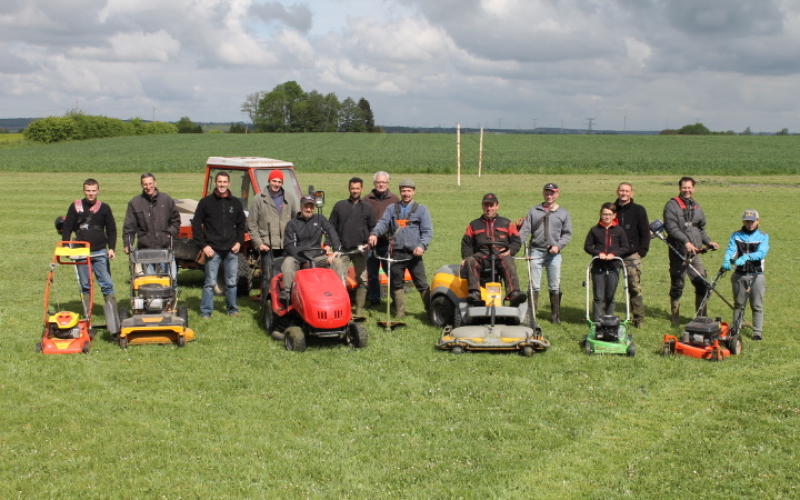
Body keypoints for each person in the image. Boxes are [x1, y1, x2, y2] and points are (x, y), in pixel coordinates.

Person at [60, 178, 119, 332]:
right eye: (88, 190)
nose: (91, 193)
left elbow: (111, 229)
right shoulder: (75, 206)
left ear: (98, 191)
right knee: (85, 285)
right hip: (81, 252)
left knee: (107, 284)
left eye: (93, 190)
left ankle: (113, 320)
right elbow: (67, 228)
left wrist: (111, 248)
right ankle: (87, 319)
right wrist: (66, 246)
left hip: (100, 252)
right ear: (84, 191)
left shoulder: (104, 208)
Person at [368, 179, 433, 318]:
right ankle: (400, 312)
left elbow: (427, 231)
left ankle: (431, 311)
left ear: (414, 192)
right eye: (403, 190)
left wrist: (422, 246)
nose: (406, 193)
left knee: (422, 284)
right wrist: (374, 234)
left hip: (414, 255)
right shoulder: (392, 208)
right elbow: (383, 223)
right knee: (397, 284)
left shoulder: (422, 210)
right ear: (400, 191)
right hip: (396, 253)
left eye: (409, 191)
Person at [662, 176, 719, 326]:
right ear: (679, 188)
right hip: (678, 251)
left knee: (702, 283)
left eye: (689, 187)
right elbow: (671, 228)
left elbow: (700, 229)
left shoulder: (697, 206)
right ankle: (675, 316)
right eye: (684, 187)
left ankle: (701, 317)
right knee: (678, 284)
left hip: (696, 253)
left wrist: (708, 241)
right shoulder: (671, 206)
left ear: (693, 188)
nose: (687, 190)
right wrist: (685, 241)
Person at [192, 172, 247, 318]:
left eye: (224, 182)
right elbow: (196, 225)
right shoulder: (205, 202)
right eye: (219, 182)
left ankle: (232, 310)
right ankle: (206, 311)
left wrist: (239, 242)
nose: (222, 184)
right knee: (210, 283)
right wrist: (203, 246)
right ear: (215, 183)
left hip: (231, 250)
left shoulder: (235, 203)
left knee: (231, 283)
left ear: (229, 184)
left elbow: (242, 226)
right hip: (213, 250)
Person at [518, 182, 572, 324]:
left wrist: (558, 246)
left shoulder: (563, 213)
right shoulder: (534, 211)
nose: (549, 195)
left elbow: (567, 234)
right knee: (534, 285)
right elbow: (525, 230)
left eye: (552, 193)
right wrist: (515, 246)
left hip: (554, 254)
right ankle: (532, 316)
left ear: (557, 194)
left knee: (554, 285)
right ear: (543, 193)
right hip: (536, 251)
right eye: (547, 192)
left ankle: (555, 317)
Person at [461, 193, 525, 306]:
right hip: (482, 256)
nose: (489, 208)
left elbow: (516, 241)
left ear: (497, 206)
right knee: (471, 260)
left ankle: (514, 293)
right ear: (482, 206)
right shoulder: (473, 225)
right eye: (486, 205)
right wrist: (466, 258)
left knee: (508, 259)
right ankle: (475, 293)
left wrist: (510, 251)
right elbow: (467, 244)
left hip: (500, 256)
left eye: (492, 205)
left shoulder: (507, 223)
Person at [280, 195, 342, 301]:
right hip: (298, 257)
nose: (308, 209)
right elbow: (289, 246)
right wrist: (304, 259)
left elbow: (331, 231)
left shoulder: (320, 219)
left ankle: (338, 292)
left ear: (314, 207)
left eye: (311, 206)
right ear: (301, 206)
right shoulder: (292, 224)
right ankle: (287, 293)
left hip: (316, 257)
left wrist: (336, 250)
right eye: (306, 206)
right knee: (287, 262)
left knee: (336, 261)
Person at [329, 177, 375, 316]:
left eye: (357, 188)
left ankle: (359, 309)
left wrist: (370, 239)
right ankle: (342, 308)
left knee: (363, 279)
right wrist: (332, 246)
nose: (355, 190)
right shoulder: (339, 206)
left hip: (361, 251)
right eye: (352, 188)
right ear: (349, 188)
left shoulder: (367, 207)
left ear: (362, 189)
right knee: (337, 279)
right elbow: (331, 227)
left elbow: (373, 227)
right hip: (343, 250)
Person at [722, 209, 769, 340]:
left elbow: (762, 253)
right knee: (738, 304)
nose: (749, 224)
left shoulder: (763, 236)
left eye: (752, 221)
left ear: (758, 221)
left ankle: (757, 332)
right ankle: (736, 329)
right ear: (743, 221)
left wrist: (747, 257)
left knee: (757, 305)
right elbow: (731, 249)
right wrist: (727, 259)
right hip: (739, 274)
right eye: (747, 221)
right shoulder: (736, 235)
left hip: (757, 275)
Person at [122, 173, 181, 278]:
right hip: (146, 250)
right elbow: (129, 226)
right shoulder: (135, 203)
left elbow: (176, 220)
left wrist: (169, 234)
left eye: (150, 183)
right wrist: (127, 243)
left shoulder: (166, 200)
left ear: (155, 183)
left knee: (172, 280)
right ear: (141, 185)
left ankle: (173, 294)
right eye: (145, 184)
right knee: (151, 282)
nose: (148, 187)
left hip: (165, 248)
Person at [248, 169, 299, 287]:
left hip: (286, 245)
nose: (276, 184)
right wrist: (259, 243)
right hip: (267, 245)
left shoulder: (290, 198)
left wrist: (294, 241)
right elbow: (252, 224)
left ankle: (284, 301)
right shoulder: (259, 199)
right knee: (268, 276)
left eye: (279, 182)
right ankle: (267, 303)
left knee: (287, 274)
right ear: (269, 181)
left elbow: (295, 220)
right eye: (274, 181)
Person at [584, 203, 630, 321]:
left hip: (614, 266)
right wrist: (598, 253)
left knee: (610, 296)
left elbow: (625, 247)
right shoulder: (594, 230)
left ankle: (609, 319)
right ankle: (597, 321)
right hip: (598, 267)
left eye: (609, 214)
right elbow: (588, 246)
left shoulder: (619, 230)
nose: (606, 217)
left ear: (614, 215)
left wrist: (613, 254)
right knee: (598, 296)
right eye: (604, 214)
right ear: (600, 214)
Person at [614, 182, 650, 327]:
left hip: (632, 255)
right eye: (622, 190)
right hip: (613, 254)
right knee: (609, 286)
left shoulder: (639, 210)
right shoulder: (611, 208)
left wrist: (642, 251)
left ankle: (638, 319)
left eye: (627, 191)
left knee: (634, 287)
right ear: (617, 192)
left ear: (631, 193)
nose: (624, 193)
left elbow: (645, 232)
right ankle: (606, 316)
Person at [365, 171, 399, 306]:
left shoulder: (395, 200)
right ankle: (374, 299)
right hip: (371, 243)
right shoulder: (367, 199)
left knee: (391, 272)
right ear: (374, 183)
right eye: (378, 182)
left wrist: (394, 239)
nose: (380, 184)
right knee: (372, 274)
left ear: (388, 183)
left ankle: (395, 300)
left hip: (388, 243)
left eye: (383, 182)